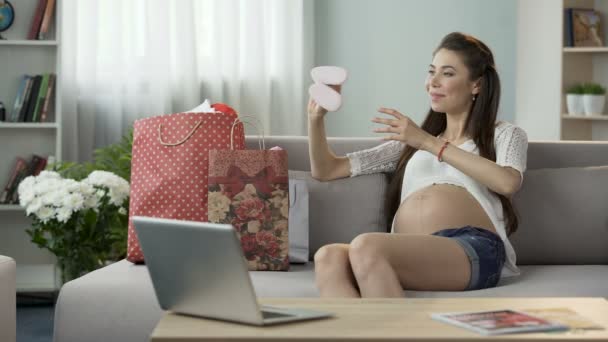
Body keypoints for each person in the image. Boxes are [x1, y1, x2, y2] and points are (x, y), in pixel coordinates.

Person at [307, 32, 528, 298]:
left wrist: (427, 142)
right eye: (431, 71)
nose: (432, 82)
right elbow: (327, 170)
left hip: (473, 247)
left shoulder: (504, 134)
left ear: (476, 85)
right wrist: (315, 120)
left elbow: (508, 182)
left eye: (447, 74)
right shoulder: (411, 144)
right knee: (328, 257)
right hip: (406, 249)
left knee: (366, 245)